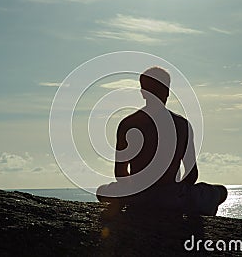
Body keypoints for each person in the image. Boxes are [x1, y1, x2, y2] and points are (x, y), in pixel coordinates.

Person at [96, 66, 227, 216]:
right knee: (221, 192)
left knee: (102, 191)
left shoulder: (128, 123)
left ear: (143, 93)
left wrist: (137, 188)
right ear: (167, 92)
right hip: (173, 197)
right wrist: (175, 190)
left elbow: (120, 174)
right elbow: (191, 175)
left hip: (139, 196)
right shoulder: (182, 125)